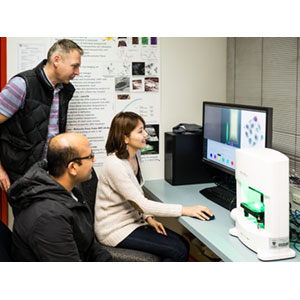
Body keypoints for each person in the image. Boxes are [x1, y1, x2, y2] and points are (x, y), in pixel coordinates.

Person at [94, 111, 214, 262]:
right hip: (114, 230)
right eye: (140, 131)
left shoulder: (133, 157)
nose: (146, 134)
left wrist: (148, 218)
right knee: (178, 250)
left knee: (182, 243)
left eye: (144, 129)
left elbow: (134, 198)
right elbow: (141, 204)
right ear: (125, 138)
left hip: (133, 222)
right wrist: (186, 210)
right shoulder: (115, 164)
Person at [7, 132, 112, 262]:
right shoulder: (48, 217)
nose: (94, 160)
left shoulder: (70, 193)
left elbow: (90, 246)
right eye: (90, 156)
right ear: (73, 167)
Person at [0, 38, 83, 192]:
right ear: (56, 60)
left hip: (50, 174)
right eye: (74, 66)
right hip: (22, 176)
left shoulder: (64, 90)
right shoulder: (22, 85)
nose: (77, 72)